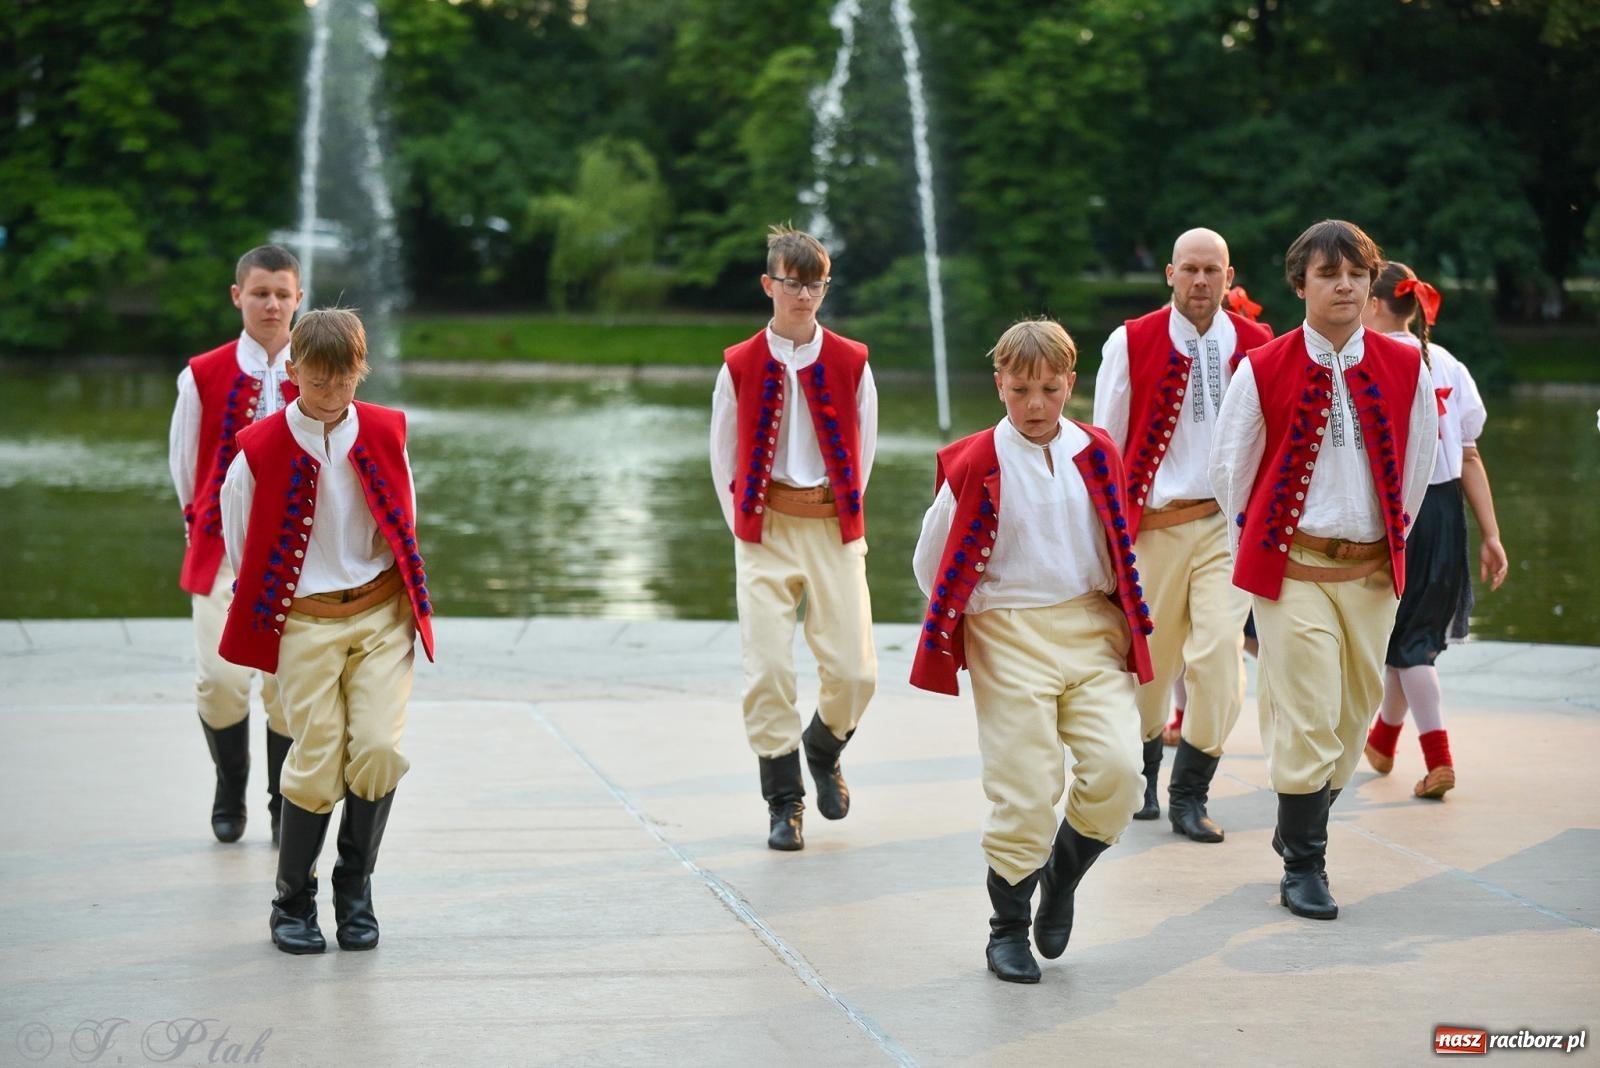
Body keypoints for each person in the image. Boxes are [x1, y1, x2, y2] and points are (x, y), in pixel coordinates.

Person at [911, 319, 1151, 984]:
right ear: (1000, 386)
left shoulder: (1099, 451)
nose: (1037, 404)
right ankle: (1007, 929)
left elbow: (1118, 540)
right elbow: (930, 563)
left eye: (1050, 388)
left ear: (1071, 384)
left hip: (1091, 628)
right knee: (1025, 787)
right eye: (1021, 389)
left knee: (1120, 772)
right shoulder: (972, 463)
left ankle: (1064, 876)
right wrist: (978, 617)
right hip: (1007, 632)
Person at [1210, 220, 1436, 921]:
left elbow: (1421, 465)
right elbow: (1230, 471)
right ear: (1300, 284)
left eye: (1357, 273)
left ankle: (1296, 818)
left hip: (1370, 573)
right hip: (1294, 567)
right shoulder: (1265, 365)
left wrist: (1386, 539)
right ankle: (1305, 866)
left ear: (1371, 285)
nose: (1344, 284)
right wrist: (1258, 550)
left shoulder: (1406, 366)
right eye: (1328, 273)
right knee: (1308, 715)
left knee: (1349, 717)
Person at [218, 308, 436, 954]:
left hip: (378, 614)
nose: (330, 395)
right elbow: (240, 547)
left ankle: (355, 887)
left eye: (342, 383)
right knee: (315, 759)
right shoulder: (257, 450)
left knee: (376, 749)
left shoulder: (386, 432)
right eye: (317, 382)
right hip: (303, 623)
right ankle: (292, 900)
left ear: (359, 373)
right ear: (293, 371)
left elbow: (403, 525)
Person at [1094, 230, 1274, 840]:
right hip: (1153, 530)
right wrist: (1106, 536)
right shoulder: (1131, 340)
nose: (1201, 281)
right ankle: (1145, 769)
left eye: (1212, 271)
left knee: (1220, 653)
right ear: (1170, 274)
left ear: (1230, 275)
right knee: (1151, 661)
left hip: (1226, 529)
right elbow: (1107, 441)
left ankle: (1190, 792)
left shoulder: (1257, 346)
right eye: (1190, 270)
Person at [709, 224, 878, 852]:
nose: (803, 295)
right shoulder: (739, 363)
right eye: (791, 283)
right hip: (766, 528)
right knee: (768, 670)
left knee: (856, 671)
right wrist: (747, 531)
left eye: (814, 284)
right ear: (769, 284)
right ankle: (784, 802)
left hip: (832, 527)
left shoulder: (852, 361)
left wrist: (842, 512)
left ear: (823, 288)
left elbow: (865, 450)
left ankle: (824, 745)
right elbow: (721, 454)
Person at [169, 245, 301, 844]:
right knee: (219, 680)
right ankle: (230, 782)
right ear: (237, 296)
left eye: (282, 293)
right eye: (260, 293)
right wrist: (203, 525)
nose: (271, 304)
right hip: (222, 551)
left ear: (299, 297)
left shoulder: (319, 368)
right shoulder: (202, 373)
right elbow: (183, 464)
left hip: (298, 557)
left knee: (285, 685)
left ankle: (280, 799)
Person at [1360, 263, 1508, 799]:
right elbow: (1468, 456)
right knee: (1409, 639)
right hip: (1447, 514)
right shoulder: (1449, 364)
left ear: (1375, 305)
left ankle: (1439, 758)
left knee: (1410, 643)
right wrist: (1490, 534)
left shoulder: (1375, 362)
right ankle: (1382, 739)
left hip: (1400, 512)